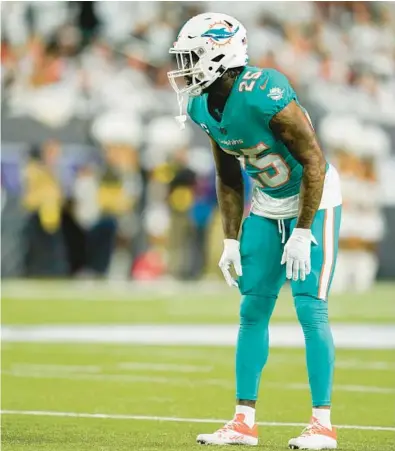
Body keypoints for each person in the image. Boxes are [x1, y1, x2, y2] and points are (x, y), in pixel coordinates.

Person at [167, 13, 342, 450]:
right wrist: (230, 239)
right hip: (265, 204)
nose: (186, 67)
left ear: (220, 55)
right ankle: (243, 421)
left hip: (312, 198)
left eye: (193, 56)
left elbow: (315, 162)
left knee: (310, 309)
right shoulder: (201, 103)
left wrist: (303, 230)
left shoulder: (266, 92)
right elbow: (227, 172)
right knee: (252, 311)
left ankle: (323, 424)